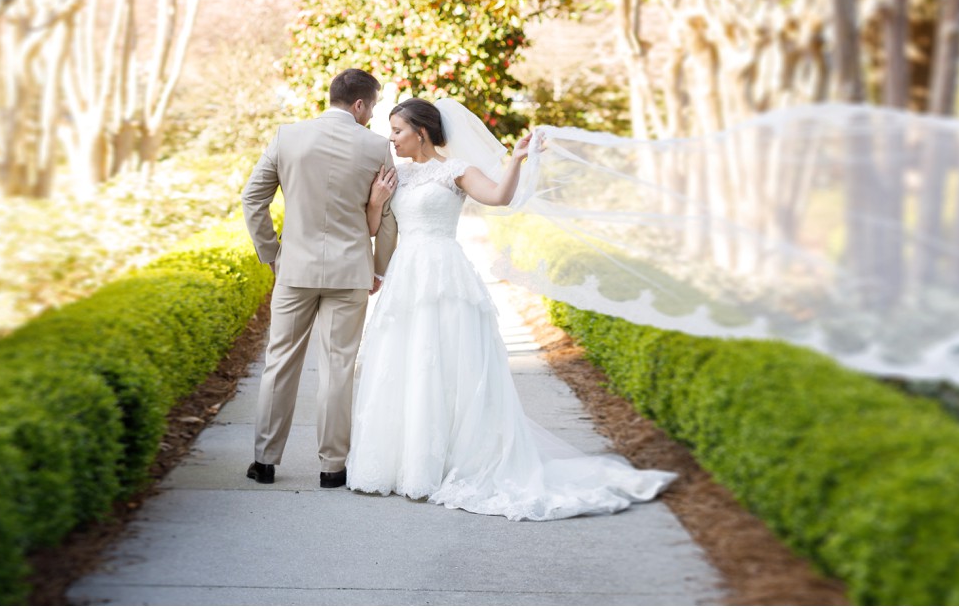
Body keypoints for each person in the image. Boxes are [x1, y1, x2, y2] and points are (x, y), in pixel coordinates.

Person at [346, 96, 676, 520]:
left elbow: (500, 197)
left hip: (445, 275)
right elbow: (374, 229)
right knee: (405, 363)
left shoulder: (456, 170)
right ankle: (405, 464)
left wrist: (517, 159)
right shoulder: (395, 176)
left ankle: (447, 462)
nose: (390, 139)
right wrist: (375, 201)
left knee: (447, 363)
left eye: (397, 131)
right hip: (406, 276)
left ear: (421, 132)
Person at [241, 68, 398, 488]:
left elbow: (252, 197)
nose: (373, 115)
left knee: (280, 362)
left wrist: (270, 251)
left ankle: (265, 462)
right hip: (350, 272)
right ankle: (332, 468)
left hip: (295, 269)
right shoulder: (377, 146)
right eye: (373, 107)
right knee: (338, 367)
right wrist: (379, 267)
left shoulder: (287, 136)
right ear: (360, 104)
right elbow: (386, 219)